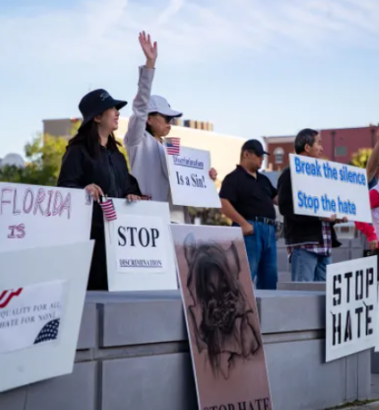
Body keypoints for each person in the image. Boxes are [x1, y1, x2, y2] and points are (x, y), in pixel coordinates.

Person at [123, 32, 217, 224]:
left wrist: (205, 178)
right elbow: (140, 107)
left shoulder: (171, 147)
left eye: (172, 119)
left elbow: (185, 183)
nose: (170, 122)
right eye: (166, 117)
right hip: (150, 218)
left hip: (178, 220)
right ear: (149, 119)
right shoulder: (137, 140)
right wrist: (149, 66)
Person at [57, 86, 142, 291]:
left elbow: (129, 186)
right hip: (91, 246)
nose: (117, 112)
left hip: (120, 244)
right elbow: (63, 189)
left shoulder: (117, 155)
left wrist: (132, 195)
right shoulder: (77, 152)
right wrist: (83, 189)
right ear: (96, 117)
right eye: (111, 108)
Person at [277, 128, 344, 282]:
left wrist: (336, 217)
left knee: (324, 298)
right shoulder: (289, 174)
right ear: (307, 147)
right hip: (304, 246)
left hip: (324, 245)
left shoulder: (321, 176)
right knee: (303, 297)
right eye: (319, 144)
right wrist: (319, 217)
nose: (322, 148)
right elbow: (286, 207)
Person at [219, 139, 278, 289]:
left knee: (270, 278)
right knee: (244, 276)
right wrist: (243, 223)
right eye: (259, 155)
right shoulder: (234, 178)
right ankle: (238, 311)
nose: (262, 159)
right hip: (250, 230)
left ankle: (267, 311)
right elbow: (223, 203)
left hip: (269, 231)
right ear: (246, 154)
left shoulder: (263, 179)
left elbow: (277, 199)